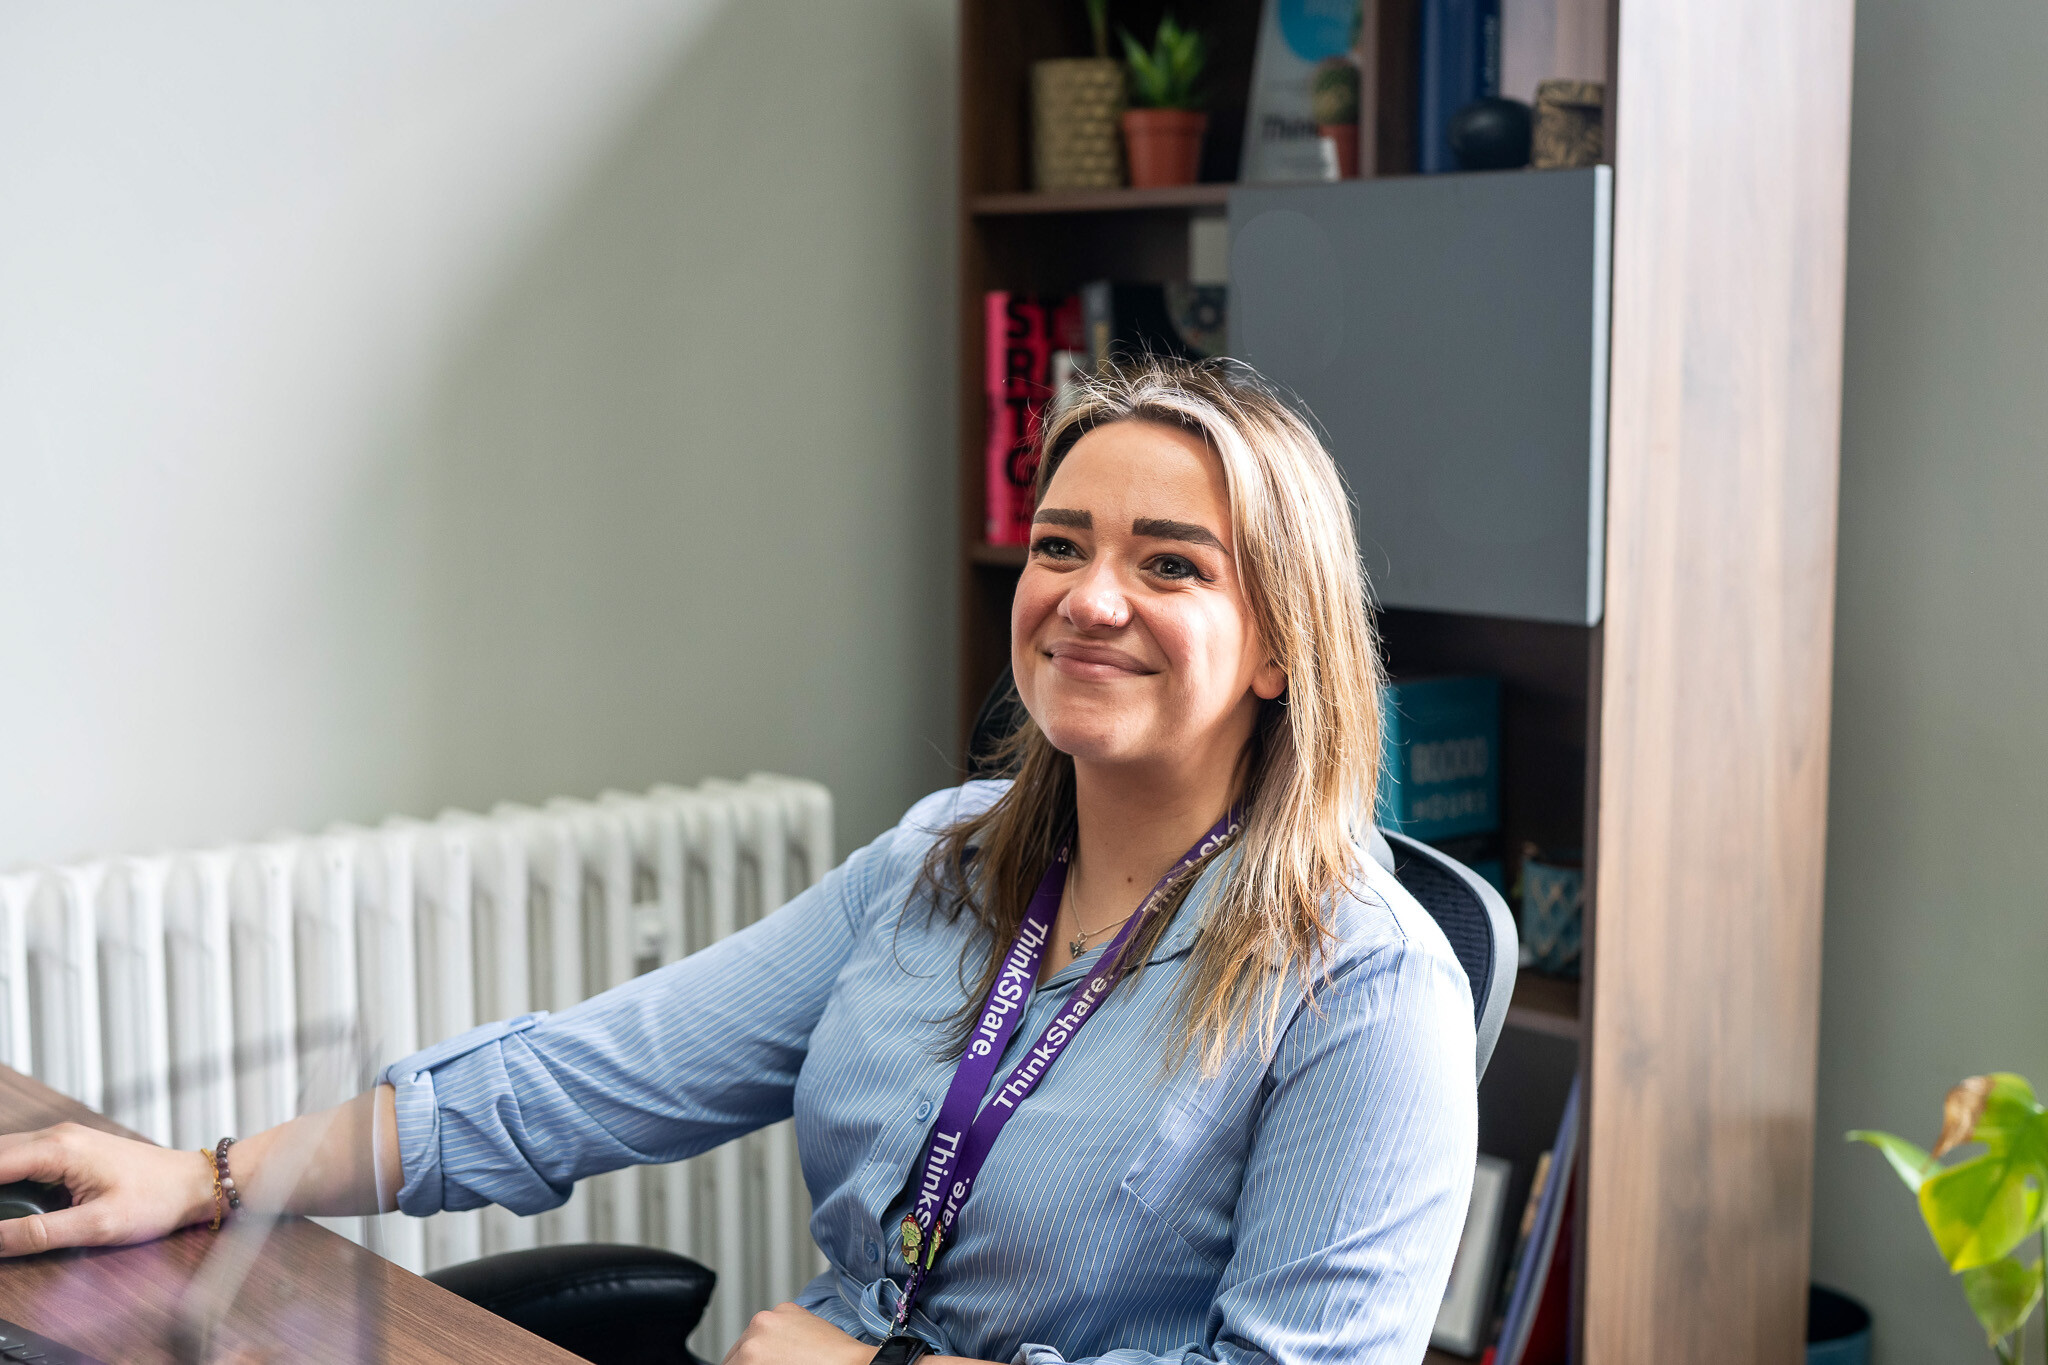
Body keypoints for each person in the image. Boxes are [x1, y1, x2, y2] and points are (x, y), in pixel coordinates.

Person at [0, 358, 1476, 1365]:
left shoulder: (1365, 990)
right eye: (1057, 543)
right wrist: (205, 1176)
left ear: (1284, 641)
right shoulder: (936, 867)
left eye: (1170, 563)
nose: (1089, 598)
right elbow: (587, 1078)